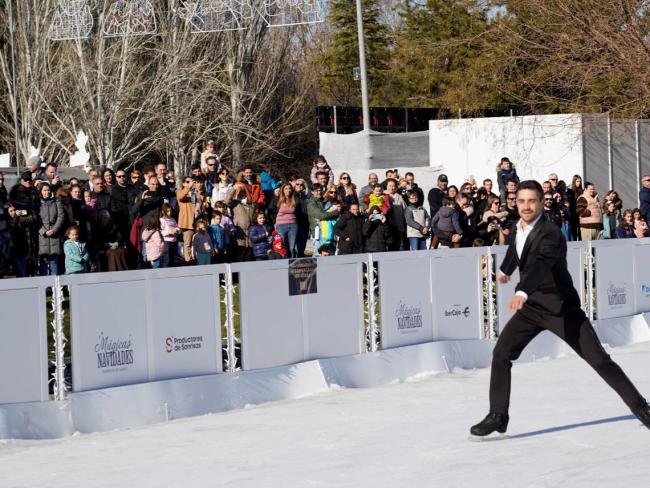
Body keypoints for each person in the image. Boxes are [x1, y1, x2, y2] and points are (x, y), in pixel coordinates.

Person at [470, 180, 650, 437]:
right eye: (521, 201)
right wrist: (505, 270)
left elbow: (541, 265)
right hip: (532, 309)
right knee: (501, 354)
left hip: (561, 309)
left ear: (542, 202)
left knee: (599, 360)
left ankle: (643, 409)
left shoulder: (551, 233)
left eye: (532, 201)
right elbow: (516, 250)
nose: (526, 206)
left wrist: (521, 290)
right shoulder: (517, 227)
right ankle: (498, 415)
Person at [37, 182, 65, 276]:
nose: (47, 192)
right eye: (44, 190)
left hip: (55, 235)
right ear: (41, 191)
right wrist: (44, 231)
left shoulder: (56, 202)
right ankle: (45, 287)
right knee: (43, 262)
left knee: (54, 262)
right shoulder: (37, 203)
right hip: (42, 237)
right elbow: (36, 219)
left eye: (48, 190)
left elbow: (61, 216)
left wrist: (54, 229)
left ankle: (55, 287)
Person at [273, 183, 300, 258]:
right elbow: (271, 211)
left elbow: (299, 213)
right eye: (286, 188)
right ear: (282, 190)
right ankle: (281, 264)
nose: (288, 190)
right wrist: (274, 223)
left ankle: (292, 264)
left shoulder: (295, 200)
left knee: (292, 248)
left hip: (293, 225)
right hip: (281, 225)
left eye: (290, 188)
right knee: (281, 246)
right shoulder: (278, 200)